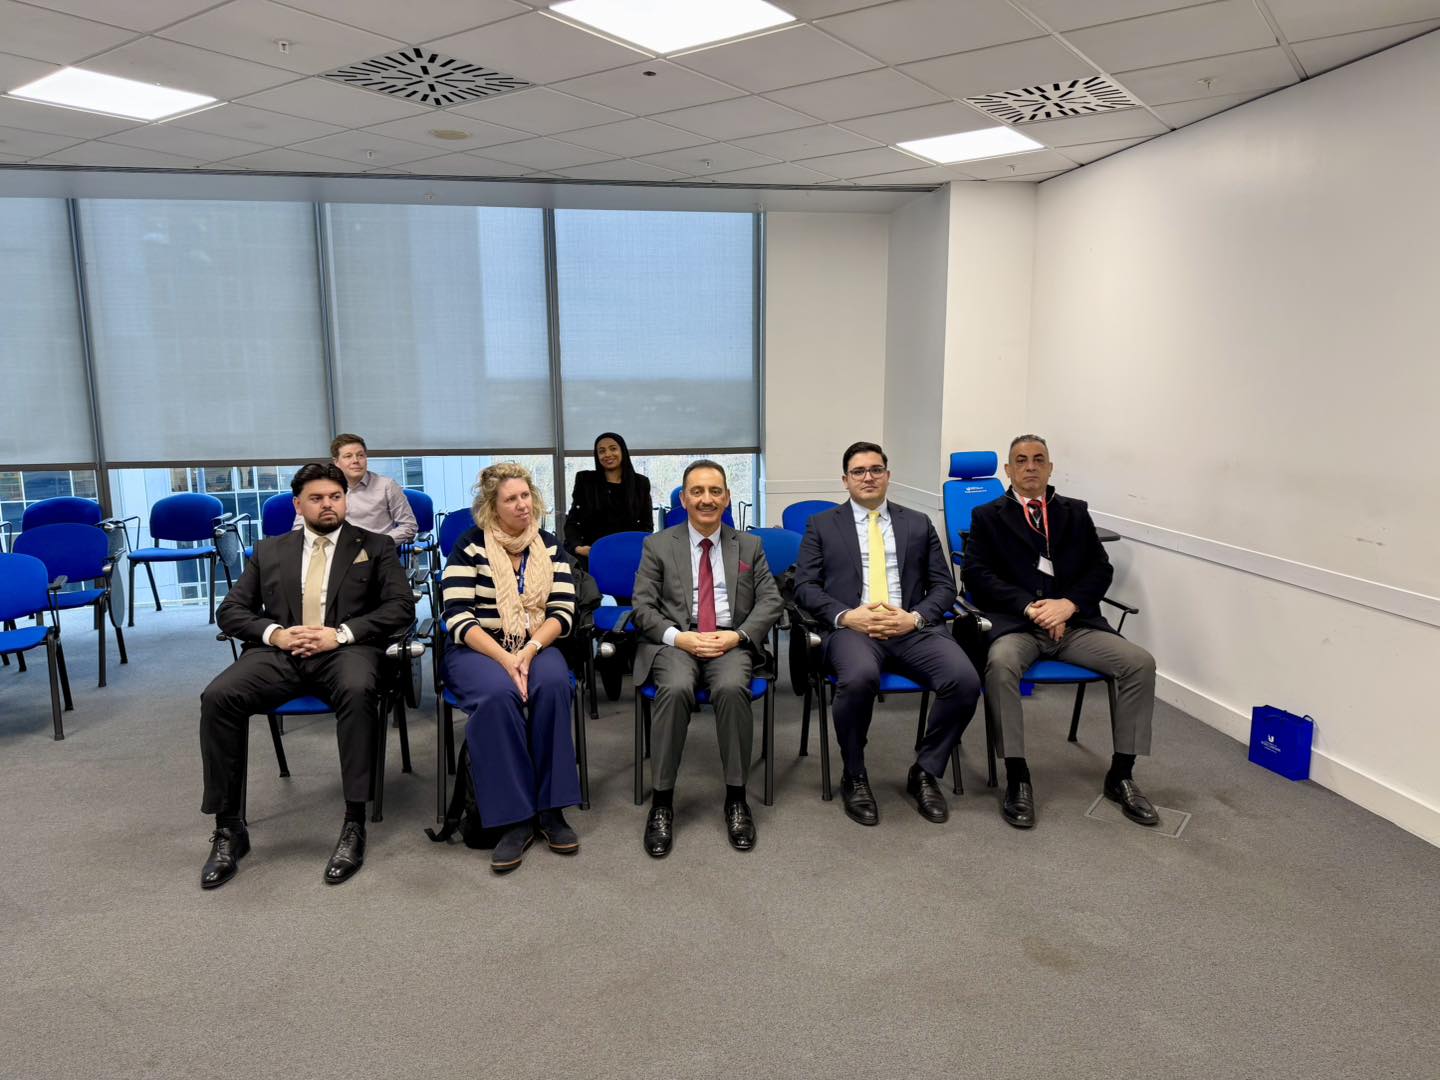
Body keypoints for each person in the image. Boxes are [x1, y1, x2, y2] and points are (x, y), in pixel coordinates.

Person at [198, 463, 414, 890]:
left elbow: (400, 607)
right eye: (317, 498)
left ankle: (354, 822)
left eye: (335, 497)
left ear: (345, 500)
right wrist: (275, 633)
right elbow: (231, 610)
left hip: (346, 650)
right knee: (218, 696)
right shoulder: (270, 550)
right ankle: (229, 829)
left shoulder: (376, 546)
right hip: (281, 652)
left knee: (358, 690)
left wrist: (340, 634)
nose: (328, 505)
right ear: (298, 505)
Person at [963, 434, 1159, 830]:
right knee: (1000, 665)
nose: (1030, 467)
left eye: (1039, 459)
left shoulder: (1074, 512)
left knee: (1139, 663)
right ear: (1008, 470)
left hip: (1074, 626)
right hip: (1018, 625)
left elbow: (1100, 569)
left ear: (1050, 468)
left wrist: (1068, 605)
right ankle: (1017, 775)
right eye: (1021, 460)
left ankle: (1121, 774)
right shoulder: (987, 516)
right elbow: (977, 576)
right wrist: (1030, 607)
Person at [793, 441, 980, 827]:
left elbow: (944, 586)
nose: (868, 477)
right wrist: (847, 616)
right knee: (859, 678)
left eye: (876, 469)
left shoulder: (918, 523)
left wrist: (915, 618)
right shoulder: (822, 525)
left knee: (964, 680)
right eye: (858, 471)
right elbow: (805, 587)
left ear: (888, 476)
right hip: (854, 629)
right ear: (845, 480)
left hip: (910, 627)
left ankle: (925, 771)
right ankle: (854, 774)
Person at [630, 459, 782, 858]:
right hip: (676, 643)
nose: (706, 499)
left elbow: (771, 600)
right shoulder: (658, 545)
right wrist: (680, 638)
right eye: (697, 491)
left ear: (728, 497)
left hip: (729, 641)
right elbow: (642, 607)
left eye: (715, 491)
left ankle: (736, 798)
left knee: (731, 687)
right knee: (676, 686)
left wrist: (737, 635)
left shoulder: (749, 546)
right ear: (683, 499)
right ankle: (662, 802)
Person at [441, 462, 582, 873]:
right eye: (511, 499)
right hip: (478, 647)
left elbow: (563, 611)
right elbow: (457, 616)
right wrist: (506, 659)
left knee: (553, 684)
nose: (522, 505)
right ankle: (514, 818)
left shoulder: (549, 546)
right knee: (497, 695)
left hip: (536, 643)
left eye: (525, 496)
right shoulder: (470, 546)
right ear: (492, 506)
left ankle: (551, 809)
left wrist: (529, 651)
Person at [293, 434, 417, 544]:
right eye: (348, 456)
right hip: (334, 553)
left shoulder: (387, 486)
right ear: (336, 462)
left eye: (360, 455)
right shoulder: (323, 489)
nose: (355, 461)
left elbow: (409, 526)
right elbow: (299, 528)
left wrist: (379, 544)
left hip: (376, 554)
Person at [563, 432, 654, 564]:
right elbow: (572, 522)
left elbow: (646, 526)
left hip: (629, 555)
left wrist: (635, 549)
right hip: (592, 554)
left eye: (613, 449)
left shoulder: (640, 483)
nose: (607, 454)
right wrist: (578, 548)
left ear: (622, 451)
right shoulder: (585, 481)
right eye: (602, 451)